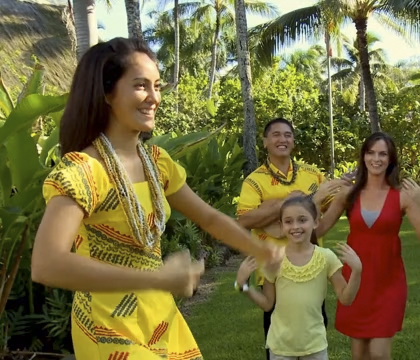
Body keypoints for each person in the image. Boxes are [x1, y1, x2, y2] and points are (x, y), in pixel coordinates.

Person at [30, 37, 280, 359]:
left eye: (157, 86)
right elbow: (47, 265)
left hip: (160, 314)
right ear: (107, 93)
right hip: (107, 325)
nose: (154, 97)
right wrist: (157, 278)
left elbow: (209, 218)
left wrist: (260, 250)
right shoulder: (84, 171)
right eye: (140, 86)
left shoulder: (157, 164)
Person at [320, 131, 420, 360]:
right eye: (371, 152)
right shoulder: (348, 194)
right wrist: (315, 199)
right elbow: (318, 231)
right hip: (356, 281)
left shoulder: (401, 196)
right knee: (360, 354)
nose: (376, 158)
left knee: (379, 353)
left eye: (383, 154)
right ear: (363, 157)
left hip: (388, 282)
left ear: (391, 159)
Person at [235, 117, 345, 359]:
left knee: (313, 332)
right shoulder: (254, 180)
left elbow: (336, 204)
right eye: (275, 134)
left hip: (312, 266)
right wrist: (294, 201)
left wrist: (325, 220)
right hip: (274, 269)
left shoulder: (313, 175)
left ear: (293, 141)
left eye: (287, 134)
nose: (282, 139)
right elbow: (245, 220)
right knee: (278, 338)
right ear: (265, 142)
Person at [235, 195, 362, 360]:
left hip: (314, 346)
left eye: (302, 220)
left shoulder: (326, 258)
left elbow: (346, 298)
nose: (295, 226)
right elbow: (267, 304)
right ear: (281, 226)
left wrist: (357, 270)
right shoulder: (274, 260)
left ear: (315, 222)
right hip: (281, 348)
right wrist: (243, 285)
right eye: (288, 221)